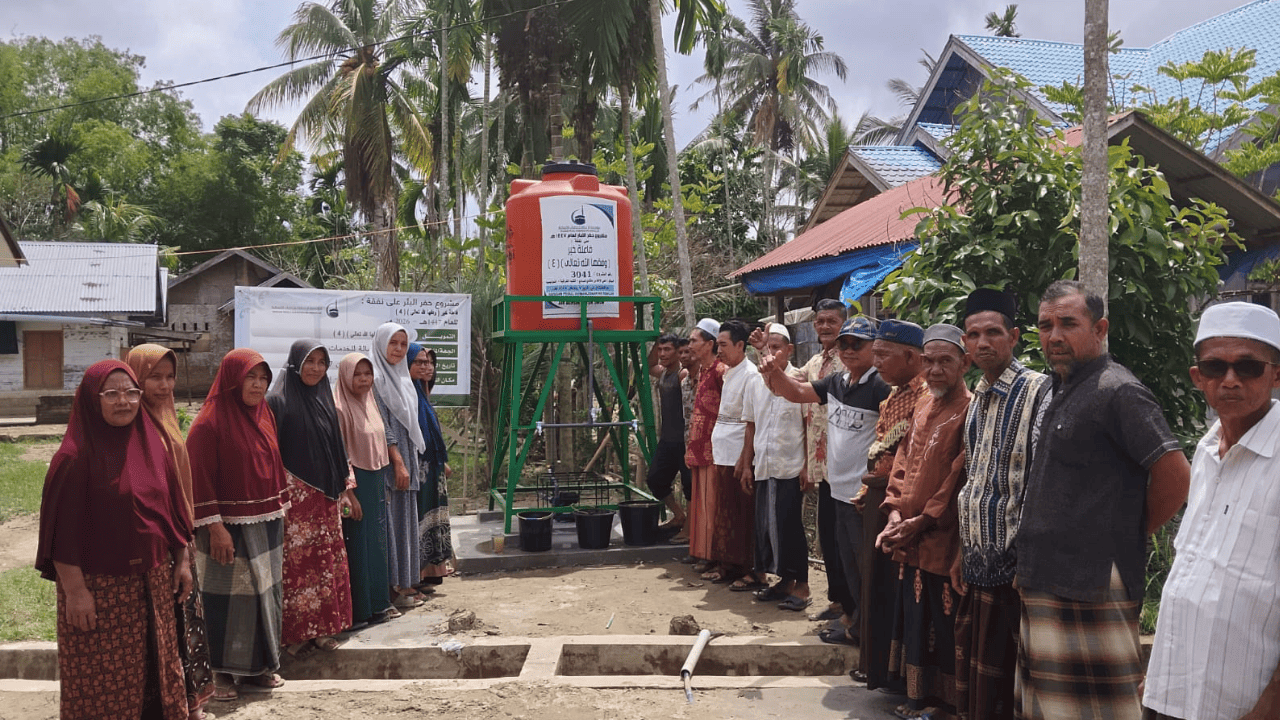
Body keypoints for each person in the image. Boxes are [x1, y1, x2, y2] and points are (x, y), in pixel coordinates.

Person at [1015, 280, 1190, 720]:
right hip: (1048, 576)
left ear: (1100, 329)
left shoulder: (1118, 390)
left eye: (1068, 324)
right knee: (1051, 708)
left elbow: (1176, 475)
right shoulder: (1061, 387)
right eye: (1045, 326)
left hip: (1092, 583)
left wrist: (1126, 532)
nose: (1055, 336)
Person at [1143, 302, 1280, 720]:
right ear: (1197, 377)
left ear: (1276, 374)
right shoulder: (1204, 452)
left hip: (1245, 699)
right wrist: (1159, 672)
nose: (1230, 380)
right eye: (1215, 367)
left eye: (1248, 367)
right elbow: (1191, 571)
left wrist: (1273, 698)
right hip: (1172, 691)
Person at [36, 359, 193, 720]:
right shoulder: (73, 459)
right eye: (111, 394)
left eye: (131, 392)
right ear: (92, 399)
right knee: (103, 684)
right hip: (101, 592)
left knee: (159, 671)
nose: (124, 401)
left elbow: (172, 509)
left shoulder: (152, 446)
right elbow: (60, 533)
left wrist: (182, 560)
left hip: (154, 586)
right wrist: (76, 592)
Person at [760, 316, 890, 638]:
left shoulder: (880, 386)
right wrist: (774, 372)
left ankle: (867, 632)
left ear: (875, 348)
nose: (849, 349)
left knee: (865, 567)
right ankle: (852, 620)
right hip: (835, 489)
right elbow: (796, 392)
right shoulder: (837, 382)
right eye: (844, 343)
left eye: (857, 343)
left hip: (863, 496)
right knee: (844, 564)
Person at [953, 290, 1050, 720]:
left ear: (1014, 336)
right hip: (977, 566)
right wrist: (962, 553)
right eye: (974, 335)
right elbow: (974, 480)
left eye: (993, 333)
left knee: (1013, 687)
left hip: (1014, 572)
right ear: (965, 342)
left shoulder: (1038, 391)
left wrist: (1027, 563)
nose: (983, 343)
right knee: (982, 689)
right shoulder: (977, 398)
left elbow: (1041, 485)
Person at [876, 323, 972, 720]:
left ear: (964, 364)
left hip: (942, 538)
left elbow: (958, 477)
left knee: (943, 621)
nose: (934, 370)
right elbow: (902, 460)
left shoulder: (969, 411)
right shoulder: (922, 406)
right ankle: (917, 697)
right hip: (909, 535)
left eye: (944, 361)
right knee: (915, 618)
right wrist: (895, 510)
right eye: (928, 361)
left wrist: (923, 519)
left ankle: (946, 704)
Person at [187, 348, 289, 700]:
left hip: (266, 523)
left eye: (263, 379)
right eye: (250, 378)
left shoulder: (264, 415)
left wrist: (281, 510)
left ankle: (259, 668)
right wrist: (215, 529)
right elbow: (198, 478)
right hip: (226, 529)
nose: (258, 385)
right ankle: (222, 673)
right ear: (232, 379)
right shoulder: (208, 423)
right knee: (227, 601)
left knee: (263, 596)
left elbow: (272, 463)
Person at [127, 344, 215, 720]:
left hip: (181, 536)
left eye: (169, 377)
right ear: (136, 379)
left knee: (186, 619)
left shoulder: (167, 417)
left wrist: (186, 536)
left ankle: (192, 703)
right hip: (156, 543)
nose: (164, 386)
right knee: (166, 625)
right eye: (154, 378)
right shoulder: (132, 425)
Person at [266, 340, 354, 657]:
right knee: (298, 569)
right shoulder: (277, 402)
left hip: (326, 500)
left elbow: (338, 448)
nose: (316, 368)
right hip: (295, 502)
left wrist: (345, 489)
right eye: (309, 361)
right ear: (295, 364)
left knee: (326, 565)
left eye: (321, 362)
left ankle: (323, 630)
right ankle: (295, 636)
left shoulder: (324, 398)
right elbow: (269, 454)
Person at [858, 318, 927, 690]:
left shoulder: (925, 397)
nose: (876, 362)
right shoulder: (892, 396)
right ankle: (877, 669)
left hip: (904, 503)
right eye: (876, 354)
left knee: (895, 589)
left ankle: (893, 675)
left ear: (912, 357)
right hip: (880, 498)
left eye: (883, 355)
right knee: (877, 586)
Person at [735, 323, 809, 610]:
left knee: (790, 525)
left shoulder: (800, 380)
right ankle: (784, 582)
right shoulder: (755, 382)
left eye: (777, 347)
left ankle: (802, 585)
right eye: (768, 347)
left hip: (791, 463)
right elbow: (751, 426)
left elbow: (809, 424)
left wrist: (807, 466)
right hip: (765, 464)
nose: (772, 352)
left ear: (789, 350)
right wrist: (746, 464)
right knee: (767, 526)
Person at [798, 298, 854, 623]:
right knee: (829, 540)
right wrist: (768, 357)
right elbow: (792, 384)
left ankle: (851, 608)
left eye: (831, 321)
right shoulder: (815, 362)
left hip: (847, 468)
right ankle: (837, 603)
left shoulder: (850, 363)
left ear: (844, 323)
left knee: (845, 541)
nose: (825, 326)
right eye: (820, 321)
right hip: (823, 469)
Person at [334, 353, 398, 626]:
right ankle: (360, 611)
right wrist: (348, 492)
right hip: (356, 483)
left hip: (376, 480)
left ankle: (379, 605)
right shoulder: (339, 408)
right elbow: (340, 454)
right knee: (358, 545)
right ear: (345, 377)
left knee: (378, 544)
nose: (363, 380)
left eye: (367, 374)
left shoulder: (371, 402)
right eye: (357, 374)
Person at [370, 322, 428, 609]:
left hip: (407, 458)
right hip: (391, 461)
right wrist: (398, 462)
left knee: (406, 520)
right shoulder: (376, 379)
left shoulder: (403, 379)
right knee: (393, 522)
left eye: (403, 344)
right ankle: (392, 588)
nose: (398, 349)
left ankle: (406, 583)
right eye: (393, 343)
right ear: (381, 344)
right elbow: (383, 424)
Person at [706, 319, 762, 587]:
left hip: (738, 454)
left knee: (742, 513)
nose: (719, 351)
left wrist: (745, 459)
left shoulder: (751, 375)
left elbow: (752, 421)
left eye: (724, 345)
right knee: (725, 510)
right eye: (718, 345)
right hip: (723, 452)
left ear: (741, 345)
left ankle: (748, 569)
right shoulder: (729, 372)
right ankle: (726, 565)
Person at [407, 343, 453, 589]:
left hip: (432, 466)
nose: (427, 367)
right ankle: (419, 573)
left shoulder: (423, 394)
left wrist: (441, 462)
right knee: (420, 517)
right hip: (418, 467)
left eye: (430, 363)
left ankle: (434, 570)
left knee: (435, 515)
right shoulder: (405, 393)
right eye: (420, 362)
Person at [685, 318, 725, 572]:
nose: (689, 345)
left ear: (709, 344)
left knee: (711, 503)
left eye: (693, 340)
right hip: (699, 446)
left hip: (714, 447)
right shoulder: (703, 370)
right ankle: (701, 551)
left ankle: (712, 554)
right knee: (700, 501)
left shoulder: (720, 371)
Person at [647, 333, 691, 532]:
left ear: (677, 352)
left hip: (683, 440)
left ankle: (690, 529)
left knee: (689, 485)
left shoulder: (682, 374)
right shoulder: (663, 372)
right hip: (667, 439)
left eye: (667, 349)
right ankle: (679, 515)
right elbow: (649, 366)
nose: (662, 354)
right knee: (655, 480)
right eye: (660, 350)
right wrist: (656, 342)